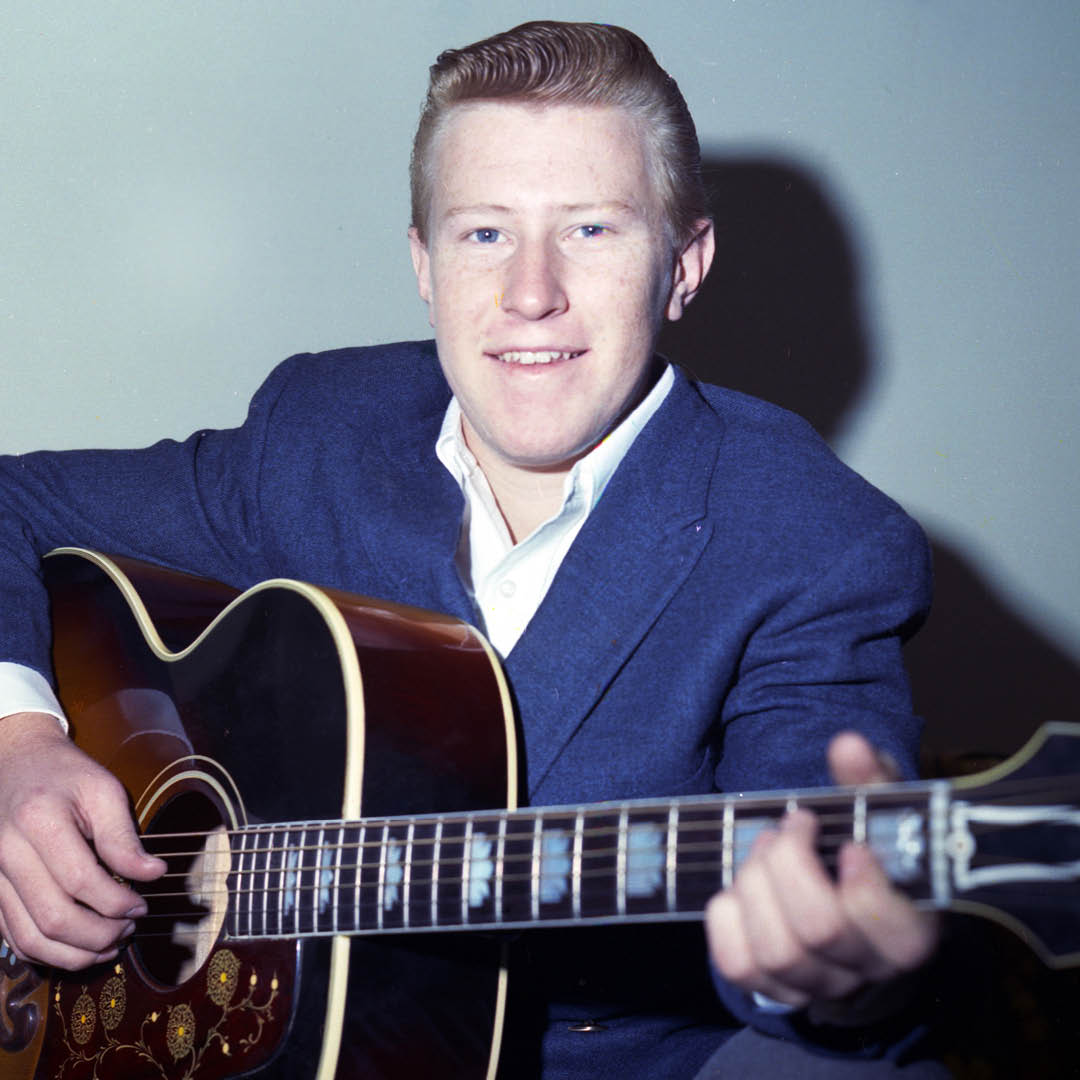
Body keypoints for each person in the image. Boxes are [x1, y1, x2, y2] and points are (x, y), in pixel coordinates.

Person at [0, 20, 944, 1078]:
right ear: (423, 262)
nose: (530, 292)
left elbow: (827, 903)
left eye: (591, 229)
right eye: (484, 233)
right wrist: (17, 744)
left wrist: (831, 967)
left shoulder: (815, 540)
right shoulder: (321, 430)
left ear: (684, 266)